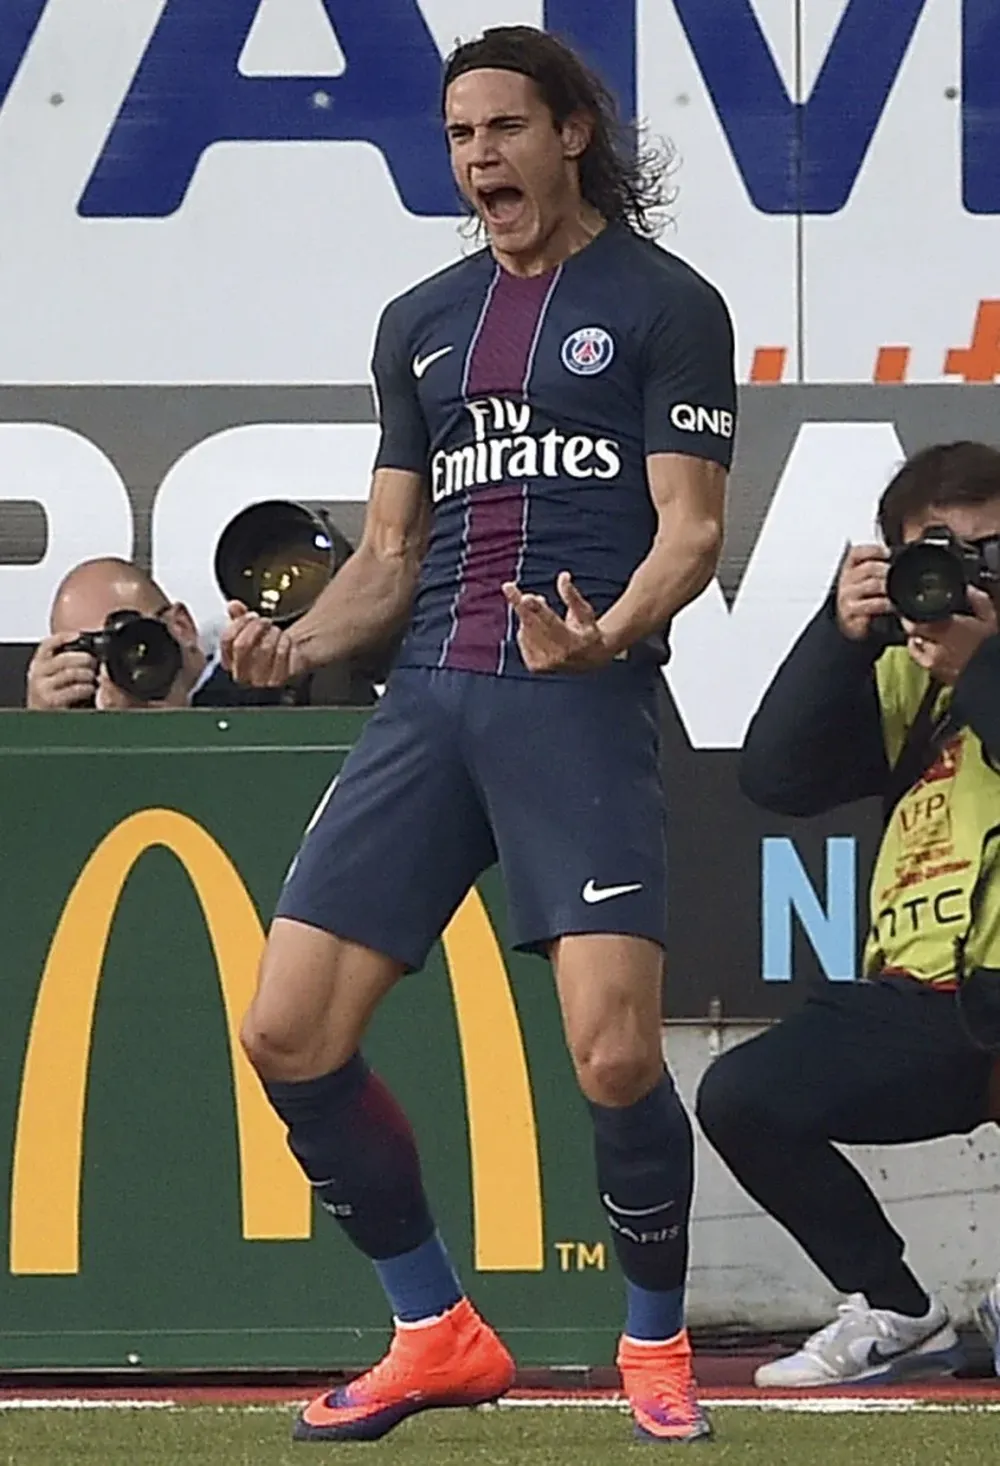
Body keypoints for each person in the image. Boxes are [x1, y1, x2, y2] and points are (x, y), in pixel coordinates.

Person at [223, 25, 736, 1445]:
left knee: (617, 1058)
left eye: (503, 129)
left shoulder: (665, 302)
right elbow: (389, 556)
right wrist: (296, 643)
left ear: (573, 132)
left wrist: (607, 632)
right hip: (430, 697)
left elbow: (690, 529)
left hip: (579, 697)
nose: (478, 160)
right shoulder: (421, 320)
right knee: (284, 1031)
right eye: (459, 138)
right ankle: (434, 1326)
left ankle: (653, 1340)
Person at [696, 441, 1000, 1389]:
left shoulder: (963, 668)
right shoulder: (908, 673)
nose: (969, 572)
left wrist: (982, 666)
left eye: (991, 550)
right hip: (921, 1003)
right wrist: (840, 630)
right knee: (745, 1096)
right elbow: (775, 777)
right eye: (942, 553)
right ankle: (895, 1307)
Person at [24, 557, 296, 710]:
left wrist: (158, 728)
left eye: (133, 640)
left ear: (182, 626)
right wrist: (43, 732)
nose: (117, 667)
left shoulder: (263, 682)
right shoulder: (79, 723)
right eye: (94, 652)